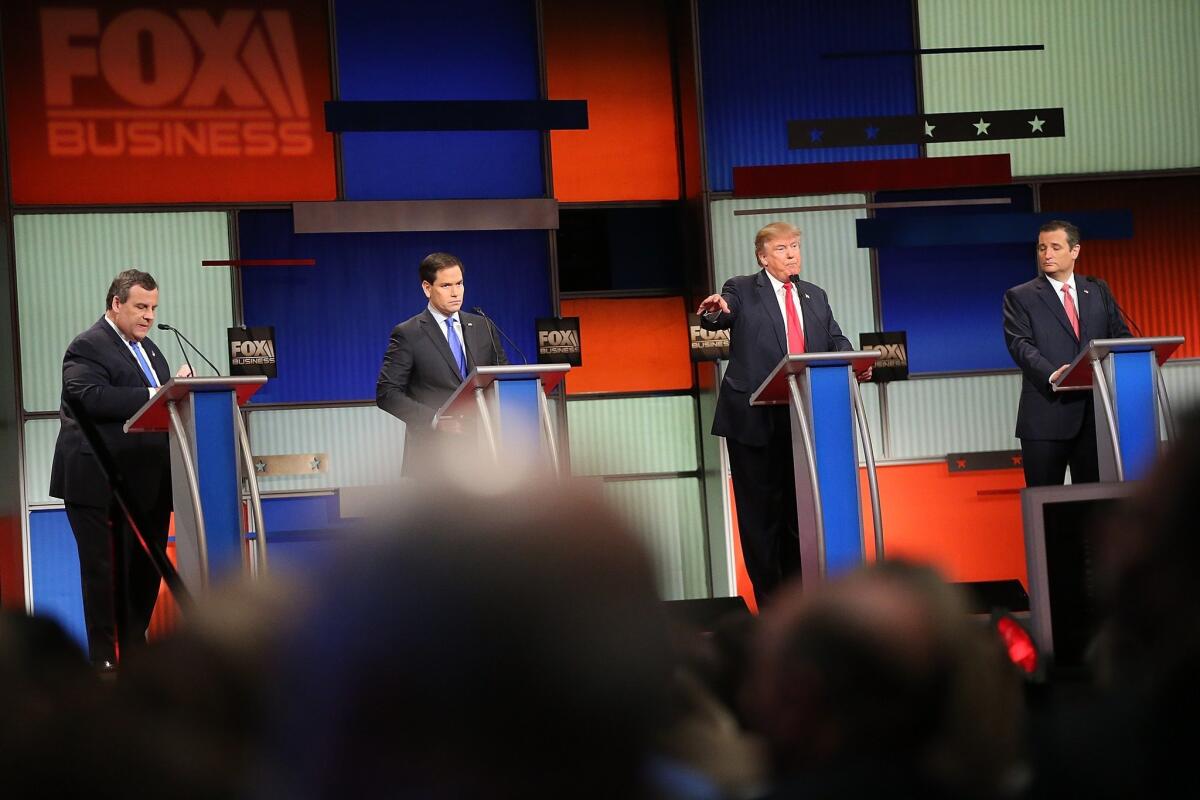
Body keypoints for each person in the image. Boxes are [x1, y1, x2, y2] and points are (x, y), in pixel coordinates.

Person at [696, 221, 857, 606]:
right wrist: (713, 311)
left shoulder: (815, 296)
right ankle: (771, 608)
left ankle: (802, 605)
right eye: (783, 248)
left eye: (796, 246)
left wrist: (856, 361)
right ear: (763, 256)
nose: (792, 254)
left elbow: (835, 339)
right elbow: (720, 314)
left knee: (799, 518)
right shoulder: (741, 289)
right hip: (754, 420)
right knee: (761, 522)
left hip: (802, 420)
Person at [49, 269, 190, 669]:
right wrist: (157, 393)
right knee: (105, 575)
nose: (149, 316)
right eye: (141, 307)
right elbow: (87, 397)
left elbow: (161, 407)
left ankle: (135, 657)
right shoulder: (88, 346)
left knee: (145, 572)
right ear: (116, 304)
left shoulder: (154, 352)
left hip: (149, 480)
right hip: (99, 482)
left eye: (153, 308)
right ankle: (105, 665)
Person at [1003, 220, 1131, 486]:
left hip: (1095, 419)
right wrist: (1052, 374)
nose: (1046, 254)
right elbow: (1020, 344)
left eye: (1055, 247)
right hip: (1046, 417)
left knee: (1095, 507)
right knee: (1045, 507)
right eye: (1041, 248)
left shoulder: (1097, 290)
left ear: (1075, 251)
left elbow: (1121, 338)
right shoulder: (1020, 296)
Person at [376, 252, 507, 474]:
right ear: (427, 288)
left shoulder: (483, 326)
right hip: (433, 460)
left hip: (484, 456)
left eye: (460, 283)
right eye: (446, 285)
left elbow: (501, 379)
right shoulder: (408, 333)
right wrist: (435, 419)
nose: (456, 292)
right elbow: (387, 393)